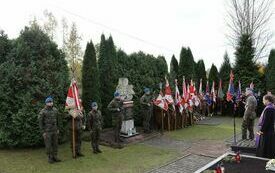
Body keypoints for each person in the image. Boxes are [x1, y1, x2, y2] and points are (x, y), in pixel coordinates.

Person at [39, 96, 61, 164]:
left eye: (51, 102)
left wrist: (58, 128)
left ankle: (55, 157)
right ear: (46, 103)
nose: (50, 103)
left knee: (55, 144)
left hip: (54, 130)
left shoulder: (55, 110)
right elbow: (40, 122)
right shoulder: (43, 111)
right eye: (49, 102)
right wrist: (43, 132)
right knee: (48, 145)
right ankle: (50, 158)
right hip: (47, 131)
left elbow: (58, 120)